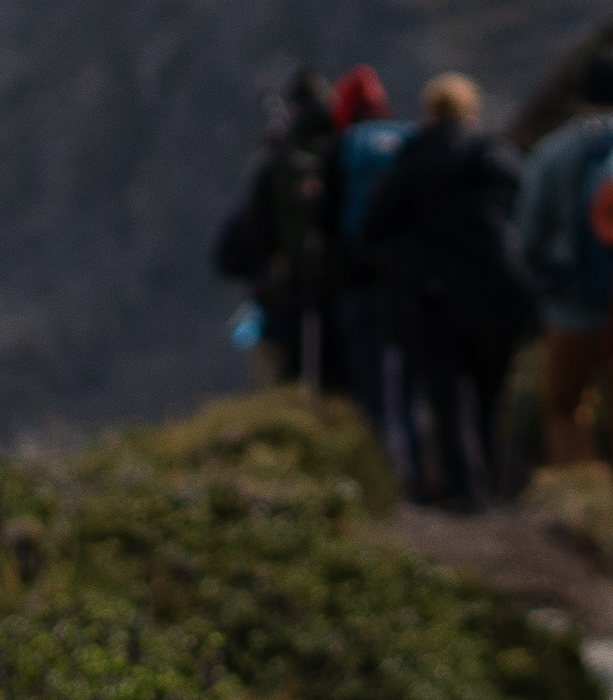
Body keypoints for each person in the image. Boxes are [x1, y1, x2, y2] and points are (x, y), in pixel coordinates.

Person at [361, 70, 540, 512]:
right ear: (471, 110)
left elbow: (375, 226)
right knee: (489, 396)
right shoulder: (497, 155)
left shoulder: (413, 160)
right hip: (500, 292)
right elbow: (529, 218)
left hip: (435, 295)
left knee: (447, 395)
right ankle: (500, 485)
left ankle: (467, 490)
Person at [515, 54, 613, 509]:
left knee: (563, 408)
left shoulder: (555, 151)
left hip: (572, 309)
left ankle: (591, 511)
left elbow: (528, 236)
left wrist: (540, 278)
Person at [207, 73, 344, 390]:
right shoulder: (342, 145)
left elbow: (248, 235)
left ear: (292, 107)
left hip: (288, 291)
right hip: (343, 282)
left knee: (293, 378)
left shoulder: (277, 159)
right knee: (342, 376)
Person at [325, 67, 414, 470]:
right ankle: (419, 466)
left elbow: (326, 218)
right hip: (412, 281)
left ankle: (381, 473)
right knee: (412, 379)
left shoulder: (343, 149)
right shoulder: (409, 142)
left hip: (359, 281)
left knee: (370, 381)